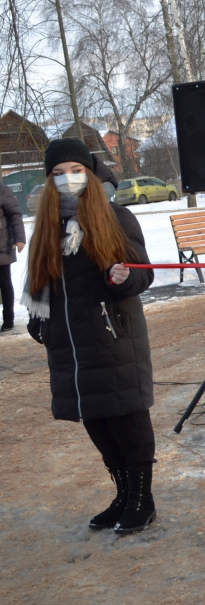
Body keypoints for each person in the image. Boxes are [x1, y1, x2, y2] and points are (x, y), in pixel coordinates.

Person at [25, 138, 157, 535]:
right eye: (59, 174)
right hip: (67, 343)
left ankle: (141, 500)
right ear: (49, 181)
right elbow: (37, 279)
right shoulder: (47, 226)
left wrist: (125, 277)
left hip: (111, 335)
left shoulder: (115, 217)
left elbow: (143, 271)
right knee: (96, 421)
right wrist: (40, 319)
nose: (68, 180)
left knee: (127, 420)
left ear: (91, 173)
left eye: (76, 171)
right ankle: (122, 494)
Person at [0, 180, 26, 332]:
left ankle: (8, 320)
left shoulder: (3, 191)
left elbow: (15, 216)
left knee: (4, 282)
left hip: (3, 245)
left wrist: (20, 239)